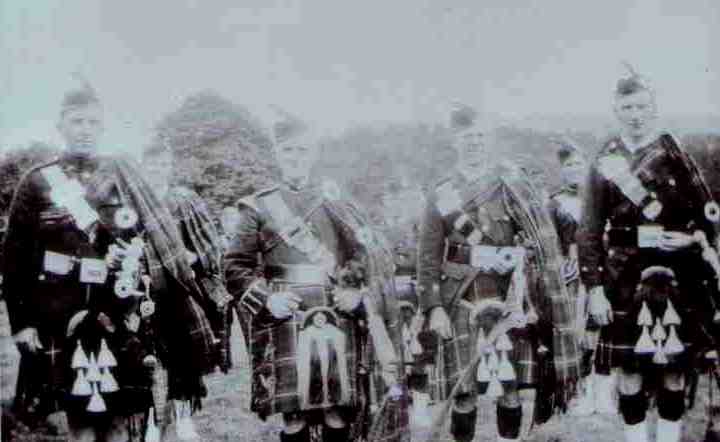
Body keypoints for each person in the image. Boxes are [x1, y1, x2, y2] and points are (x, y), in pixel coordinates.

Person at [2, 78, 216, 442]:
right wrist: (22, 324)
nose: (85, 130)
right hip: (59, 316)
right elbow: (14, 260)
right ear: (61, 126)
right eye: (76, 122)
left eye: (92, 123)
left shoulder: (123, 176)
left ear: (102, 127)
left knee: (120, 421)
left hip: (117, 313)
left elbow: (153, 241)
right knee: (81, 424)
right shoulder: (37, 182)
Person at [224, 110, 403, 442]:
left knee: (337, 408)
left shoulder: (335, 200)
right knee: (294, 416)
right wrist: (268, 300)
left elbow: (364, 252)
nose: (296, 158)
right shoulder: (258, 206)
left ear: (314, 154)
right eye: (288, 150)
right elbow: (234, 267)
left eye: (302, 150)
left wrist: (351, 288)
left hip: (335, 310)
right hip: (284, 313)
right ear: (277, 154)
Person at [417, 103, 580, 442]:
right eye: (466, 137)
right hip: (459, 297)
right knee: (463, 391)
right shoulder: (442, 191)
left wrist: (517, 253)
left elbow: (540, 240)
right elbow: (428, 256)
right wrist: (433, 308)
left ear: (487, 139)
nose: (473, 143)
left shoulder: (509, 182)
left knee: (511, 387)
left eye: (478, 136)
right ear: (454, 141)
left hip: (508, 297)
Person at [578, 66, 720, 442]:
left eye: (642, 106)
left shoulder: (676, 153)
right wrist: (593, 287)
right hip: (622, 273)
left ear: (653, 107)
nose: (635, 115)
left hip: (678, 272)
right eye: (627, 108)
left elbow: (708, 215)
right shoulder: (605, 159)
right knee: (629, 370)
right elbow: (589, 229)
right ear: (616, 110)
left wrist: (691, 241)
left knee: (675, 369)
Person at [142, 143, 233, 437]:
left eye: (162, 163)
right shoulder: (134, 203)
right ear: (143, 166)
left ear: (169, 165)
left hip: (181, 292)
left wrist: (191, 259)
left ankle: (183, 417)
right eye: (151, 164)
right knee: (150, 359)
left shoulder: (185, 199)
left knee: (184, 360)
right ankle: (151, 422)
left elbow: (211, 243)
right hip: (145, 294)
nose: (157, 169)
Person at [546, 140, 616, 416]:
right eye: (568, 165)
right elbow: (548, 242)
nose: (574, 169)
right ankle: (579, 392)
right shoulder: (554, 203)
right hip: (573, 277)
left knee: (606, 329)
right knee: (578, 332)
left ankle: (604, 392)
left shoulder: (604, 196)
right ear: (562, 171)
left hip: (605, 271)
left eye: (578, 163)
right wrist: (561, 263)